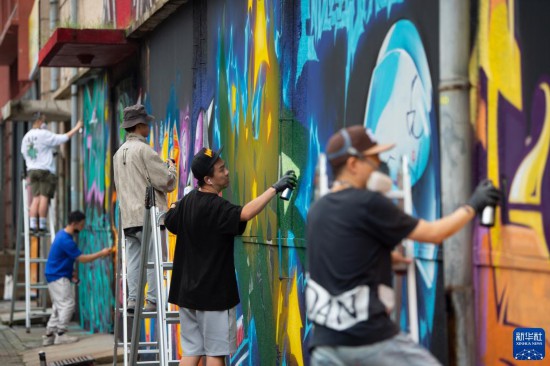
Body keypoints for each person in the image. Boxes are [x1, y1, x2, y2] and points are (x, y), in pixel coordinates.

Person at [306, 126, 501, 366]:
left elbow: (344, 253)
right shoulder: (368, 203)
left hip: (324, 345)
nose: (378, 164)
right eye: (373, 158)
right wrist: (473, 204)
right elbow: (434, 233)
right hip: (369, 341)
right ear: (353, 164)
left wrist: (386, 259)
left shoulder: (317, 210)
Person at [164, 147, 297, 366]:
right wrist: (274, 189)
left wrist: (175, 203)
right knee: (215, 354)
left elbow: (170, 220)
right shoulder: (217, 206)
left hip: (186, 295)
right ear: (208, 179)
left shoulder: (187, 203)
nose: (226, 172)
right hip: (213, 295)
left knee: (191, 353)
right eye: (221, 169)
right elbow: (244, 213)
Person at [113, 103, 177, 313]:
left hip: (129, 218)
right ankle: (153, 300)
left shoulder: (118, 154)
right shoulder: (144, 150)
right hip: (149, 215)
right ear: (139, 125)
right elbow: (166, 182)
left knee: (133, 260)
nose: (148, 126)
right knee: (154, 259)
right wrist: (172, 168)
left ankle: (132, 300)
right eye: (146, 123)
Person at [42, 211, 112, 346]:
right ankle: (61, 334)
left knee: (58, 306)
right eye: (81, 225)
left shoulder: (62, 235)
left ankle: (49, 335)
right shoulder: (66, 240)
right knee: (68, 305)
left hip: (54, 275)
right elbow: (82, 259)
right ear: (74, 224)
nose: (82, 227)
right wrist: (101, 253)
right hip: (58, 276)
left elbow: (64, 258)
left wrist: (71, 272)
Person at [21, 113, 83, 233]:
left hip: (32, 170)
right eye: (44, 121)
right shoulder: (43, 134)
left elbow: (24, 153)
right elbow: (63, 138)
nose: (45, 123)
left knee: (35, 198)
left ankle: (33, 225)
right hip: (45, 170)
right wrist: (77, 127)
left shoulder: (26, 137)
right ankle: (43, 225)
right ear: (38, 121)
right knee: (44, 197)